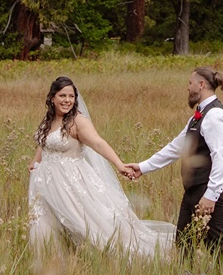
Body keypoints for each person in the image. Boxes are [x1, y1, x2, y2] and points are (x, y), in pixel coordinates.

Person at [27, 76, 173, 256]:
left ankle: (102, 255)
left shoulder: (77, 121)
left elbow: (98, 143)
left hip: (69, 181)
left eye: (71, 96)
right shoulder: (49, 120)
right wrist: (35, 162)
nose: (67, 100)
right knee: (48, 222)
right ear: (52, 98)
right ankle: (52, 258)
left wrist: (119, 164)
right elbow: (45, 143)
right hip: (45, 182)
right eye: (62, 96)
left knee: (83, 222)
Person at [122, 67, 223, 253]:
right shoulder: (199, 116)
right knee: (183, 244)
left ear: (201, 84)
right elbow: (176, 147)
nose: (188, 88)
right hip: (193, 190)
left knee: (216, 246)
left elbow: (220, 158)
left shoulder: (215, 116)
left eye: (190, 83)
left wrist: (210, 196)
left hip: (206, 191)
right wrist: (143, 167)